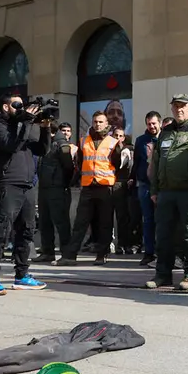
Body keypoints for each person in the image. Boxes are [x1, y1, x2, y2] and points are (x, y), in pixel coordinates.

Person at [0, 94, 52, 295]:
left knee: (27, 231)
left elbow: (43, 150)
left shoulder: (25, 127)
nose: (21, 107)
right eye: (17, 104)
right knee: (1, 230)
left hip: (28, 184)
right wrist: (27, 122)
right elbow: (12, 145)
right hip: (9, 183)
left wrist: (45, 127)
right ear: (6, 106)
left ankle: (21, 275)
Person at [145, 94, 188, 291]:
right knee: (163, 235)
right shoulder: (165, 132)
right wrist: (154, 190)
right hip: (166, 193)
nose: (179, 109)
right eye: (176, 106)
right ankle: (163, 275)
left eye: (183, 106)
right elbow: (156, 162)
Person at [55, 111, 129, 266]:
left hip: (105, 187)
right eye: (95, 121)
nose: (97, 124)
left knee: (105, 223)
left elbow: (119, 164)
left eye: (101, 122)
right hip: (88, 186)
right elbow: (80, 163)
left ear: (106, 124)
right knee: (80, 223)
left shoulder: (112, 142)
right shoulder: (84, 141)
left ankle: (102, 254)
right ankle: (70, 255)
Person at [31, 123, 75, 263]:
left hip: (58, 188)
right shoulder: (45, 144)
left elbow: (69, 168)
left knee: (61, 222)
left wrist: (63, 183)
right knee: (45, 222)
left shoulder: (61, 145)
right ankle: (47, 251)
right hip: (44, 187)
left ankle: (66, 253)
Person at [133, 111, 162, 266]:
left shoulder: (166, 138)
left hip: (163, 186)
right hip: (145, 186)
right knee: (148, 220)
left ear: (159, 123)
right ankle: (149, 253)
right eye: (149, 124)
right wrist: (135, 178)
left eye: (154, 123)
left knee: (162, 221)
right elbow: (137, 161)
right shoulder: (141, 141)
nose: (151, 126)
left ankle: (161, 252)